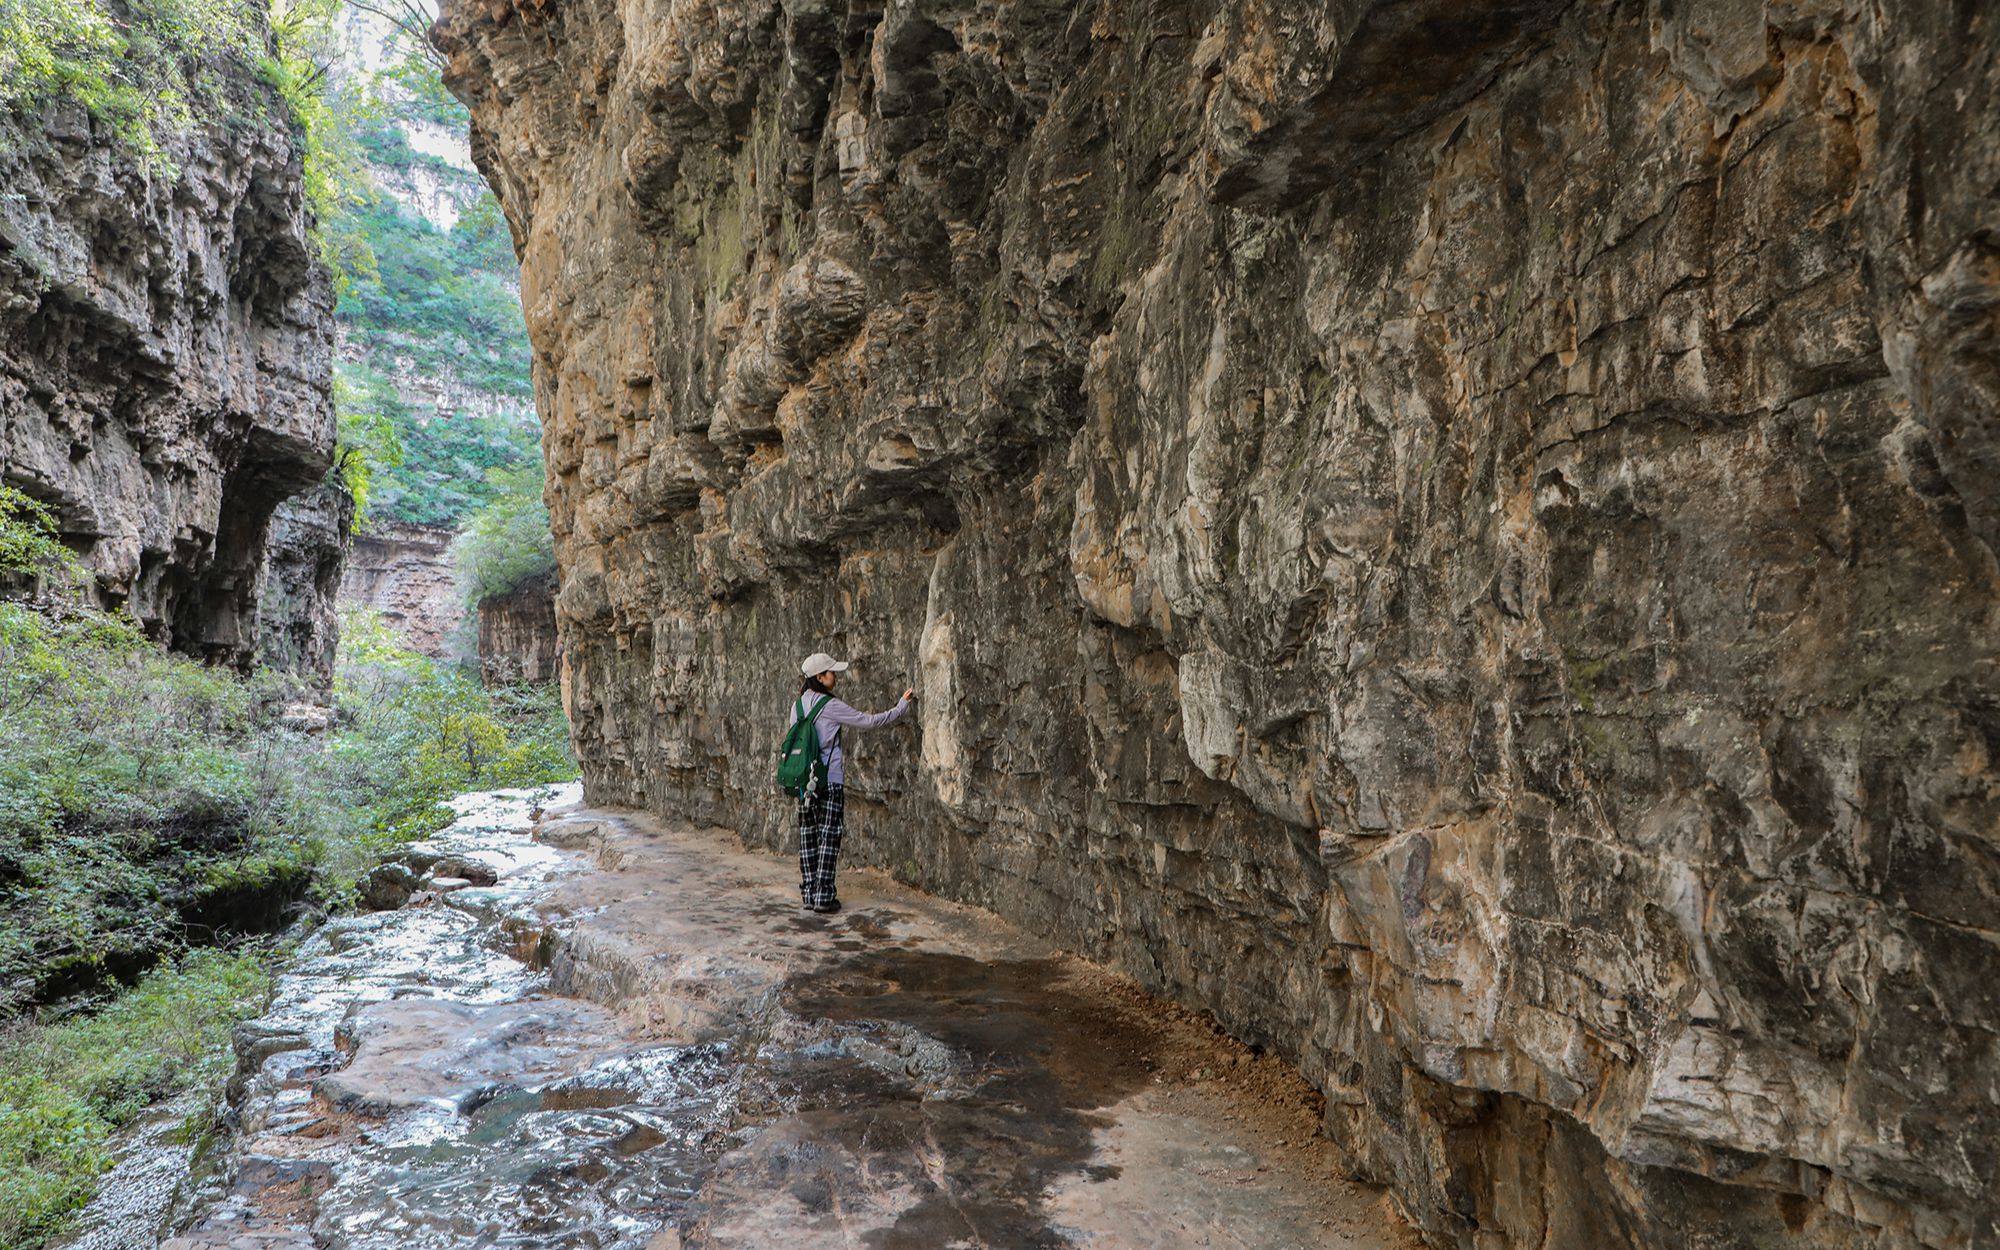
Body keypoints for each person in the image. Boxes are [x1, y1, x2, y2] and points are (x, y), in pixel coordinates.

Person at [788, 652, 914, 913]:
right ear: (819, 678)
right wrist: (900, 707)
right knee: (829, 835)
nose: (835, 676)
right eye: (831, 672)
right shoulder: (830, 705)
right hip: (829, 779)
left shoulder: (797, 706)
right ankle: (824, 896)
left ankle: (810, 893)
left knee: (808, 836)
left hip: (804, 783)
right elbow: (868, 721)